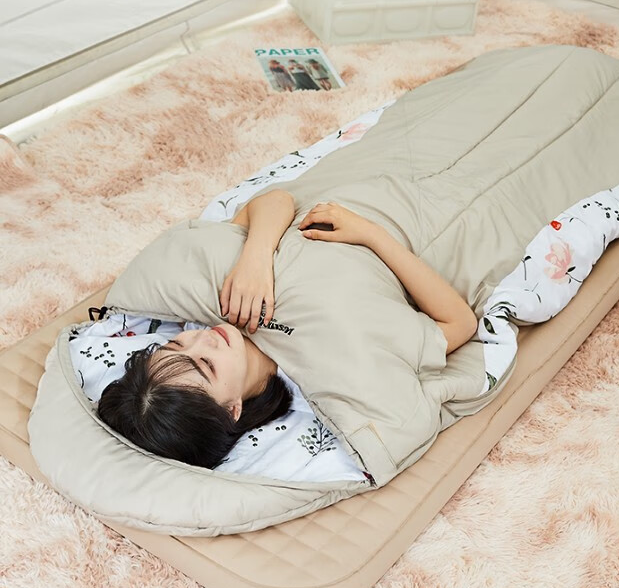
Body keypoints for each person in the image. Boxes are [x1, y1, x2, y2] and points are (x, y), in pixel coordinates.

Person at [97, 188, 477, 469]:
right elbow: (458, 323)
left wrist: (255, 257)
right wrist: (372, 234)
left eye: (176, 345)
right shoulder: (325, 377)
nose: (203, 339)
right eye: (206, 365)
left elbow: (276, 200)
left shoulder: (209, 300)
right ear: (232, 410)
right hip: (427, 216)